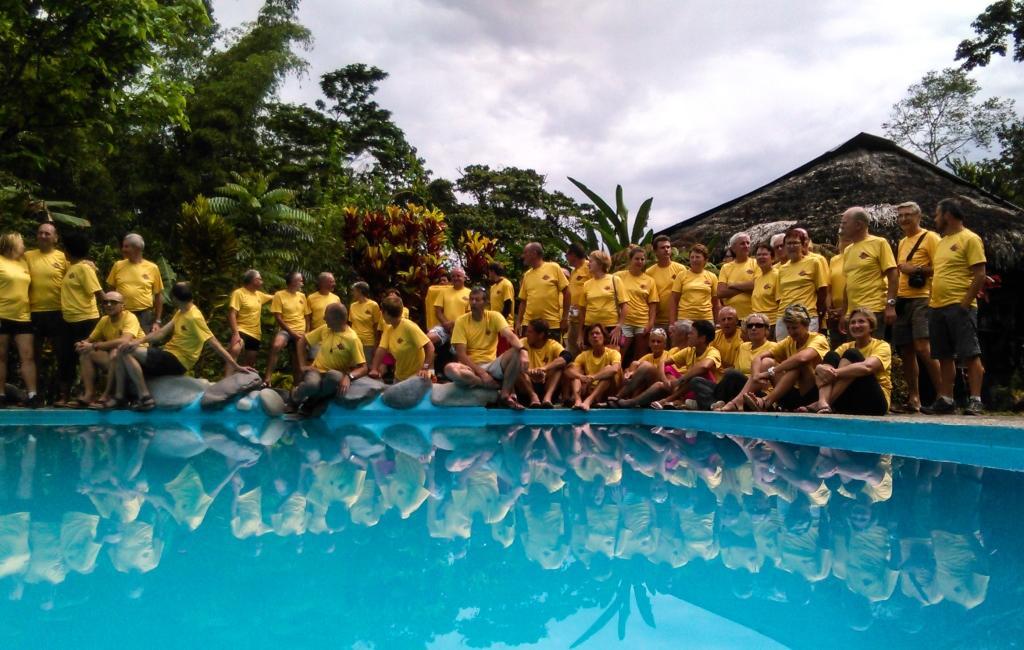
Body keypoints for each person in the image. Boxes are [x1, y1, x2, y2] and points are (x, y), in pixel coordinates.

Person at [105, 282, 248, 410]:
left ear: (174, 299)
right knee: (123, 352)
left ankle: (145, 397)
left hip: (178, 361)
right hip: (168, 355)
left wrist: (235, 365)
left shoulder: (194, 317)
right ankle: (120, 397)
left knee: (123, 351)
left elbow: (214, 343)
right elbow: (161, 333)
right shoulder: (181, 311)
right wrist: (137, 341)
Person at [922, 198, 987, 416]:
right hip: (937, 307)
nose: (935, 219)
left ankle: (976, 399)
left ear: (947, 215)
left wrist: (965, 303)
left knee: (970, 353)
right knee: (943, 355)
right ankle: (946, 399)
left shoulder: (970, 238)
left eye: (937, 215)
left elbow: (980, 274)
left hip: (959, 306)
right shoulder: (941, 243)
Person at [893, 201, 942, 413]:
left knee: (923, 347)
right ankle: (914, 398)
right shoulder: (902, 242)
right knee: (906, 350)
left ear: (918, 216)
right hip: (902, 299)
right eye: (901, 215)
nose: (904, 219)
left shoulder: (930, 237)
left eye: (908, 215)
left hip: (923, 297)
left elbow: (942, 266)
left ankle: (944, 395)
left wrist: (916, 269)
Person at [444, 286, 525, 409]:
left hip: (491, 364)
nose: (473, 303)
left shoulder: (494, 316)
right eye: (471, 299)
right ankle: (492, 385)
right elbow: (461, 354)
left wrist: (524, 351)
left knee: (516, 352)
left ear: (486, 303)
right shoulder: (461, 321)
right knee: (450, 368)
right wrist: (482, 374)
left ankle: (504, 395)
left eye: (477, 300)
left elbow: (510, 336)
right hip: (470, 367)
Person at [803, 307, 892, 416]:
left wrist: (834, 373)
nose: (856, 325)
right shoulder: (844, 346)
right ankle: (823, 402)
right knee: (831, 355)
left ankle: (822, 403)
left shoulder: (882, 345)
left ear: (871, 327)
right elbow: (825, 369)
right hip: (848, 400)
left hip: (874, 402)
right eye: (852, 322)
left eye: (861, 321)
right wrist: (819, 368)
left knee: (852, 354)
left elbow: (867, 367)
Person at [744, 304, 831, 412]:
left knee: (798, 365)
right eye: (788, 328)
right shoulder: (789, 341)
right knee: (767, 361)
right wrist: (757, 375)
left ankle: (766, 401)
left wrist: (770, 372)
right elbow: (759, 357)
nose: (791, 332)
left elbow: (802, 358)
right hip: (793, 392)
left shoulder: (819, 338)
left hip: (814, 393)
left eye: (794, 328)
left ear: (806, 325)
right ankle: (737, 402)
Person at [58, 231, 105, 404]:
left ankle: (90, 394)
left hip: (86, 320)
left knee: (86, 357)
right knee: (66, 358)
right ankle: (64, 397)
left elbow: (99, 294)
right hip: (68, 320)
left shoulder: (85, 269)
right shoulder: (73, 267)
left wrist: (115, 310)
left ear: (68, 251)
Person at [294, 303, 367, 410]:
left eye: (326, 317)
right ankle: (293, 398)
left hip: (334, 375)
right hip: (316, 370)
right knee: (312, 385)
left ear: (337, 319)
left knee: (334, 376)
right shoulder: (325, 329)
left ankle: (311, 402)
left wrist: (349, 377)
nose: (324, 318)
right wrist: (302, 365)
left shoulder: (353, 339)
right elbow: (302, 341)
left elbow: (363, 367)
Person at [76, 292, 144, 407]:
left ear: (122, 306)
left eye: (113, 302)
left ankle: (106, 395)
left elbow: (124, 341)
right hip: (116, 359)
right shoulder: (104, 320)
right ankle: (89, 395)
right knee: (86, 352)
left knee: (115, 352)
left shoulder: (130, 317)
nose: (108, 305)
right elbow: (89, 340)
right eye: (105, 302)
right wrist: (82, 344)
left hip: (134, 360)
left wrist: (93, 346)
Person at [24, 222, 67, 402]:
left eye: (47, 234)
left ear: (55, 238)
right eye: (40, 233)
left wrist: (88, 262)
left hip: (57, 312)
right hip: (33, 313)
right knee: (34, 357)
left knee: (62, 354)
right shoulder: (26, 256)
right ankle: (36, 395)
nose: (43, 236)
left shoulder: (63, 257)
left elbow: (75, 273)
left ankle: (64, 395)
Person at [840, 207, 898, 337]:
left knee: (873, 351)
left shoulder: (879, 243)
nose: (841, 227)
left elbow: (893, 274)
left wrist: (890, 305)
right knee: (855, 354)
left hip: (873, 310)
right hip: (853, 314)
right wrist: (844, 313)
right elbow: (848, 283)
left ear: (858, 225)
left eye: (844, 223)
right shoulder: (848, 250)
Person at [0, 233, 39, 407]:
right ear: (11, 244)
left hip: (23, 316)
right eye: (21, 242)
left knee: (27, 356)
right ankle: (0, 394)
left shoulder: (24, 262)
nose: (24, 245)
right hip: (2, 314)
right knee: (1, 357)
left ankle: (32, 395)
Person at [651, 319, 721, 410]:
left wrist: (680, 380)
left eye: (691, 333)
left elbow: (704, 366)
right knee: (667, 369)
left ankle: (668, 400)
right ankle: (633, 402)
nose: (689, 336)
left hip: (706, 390)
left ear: (702, 338)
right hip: (687, 388)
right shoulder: (690, 350)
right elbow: (663, 362)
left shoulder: (713, 351)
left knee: (697, 374)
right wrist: (665, 380)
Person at [774, 227, 829, 339]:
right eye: (788, 244)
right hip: (784, 317)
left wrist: (819, 312)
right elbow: (781, 296)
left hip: (806, 315)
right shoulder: (782, 269)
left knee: (805, 351)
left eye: (795, 243)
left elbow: (822, 289)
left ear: (803, 245)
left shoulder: (814, 262)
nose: (791, 247)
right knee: (783, 353)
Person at [713, 313, 774, 410]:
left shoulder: (773, 347)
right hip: (739, 389)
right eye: (750, 326)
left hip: (758, 392)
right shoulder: (743, 347)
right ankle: (718, 403)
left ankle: (713, 403)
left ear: (766, 329)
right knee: (697, 381)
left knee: (732, 375)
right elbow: (737, 369)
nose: (753, 328)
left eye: (758, 325)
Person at [106, 233, 164, 333]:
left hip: (144, 315)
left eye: (126, 246)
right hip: (121, 313)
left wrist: (157, 321)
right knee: (120, 344)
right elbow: (110, 291)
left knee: (143, 345)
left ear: (137, 248)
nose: (123, 249)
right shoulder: (118, 265)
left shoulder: (152, 268)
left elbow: (158, 296)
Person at [369, 295, 434, 382]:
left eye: (382, 311)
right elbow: (381, 349)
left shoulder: (409, 326)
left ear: (387, 314)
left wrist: (425, 368)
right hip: (399, 377)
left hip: (417, 377)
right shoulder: (389, 329)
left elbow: (430, 347)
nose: (381, 313)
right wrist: (374, 368)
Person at [614, 246, 658, 364]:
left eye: (642, 259)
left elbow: (653, 304)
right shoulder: (618, 276)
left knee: (640, 357)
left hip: (642, 323)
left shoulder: (649, 280)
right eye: (637, 259)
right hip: (624, 323)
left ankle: (636, 380)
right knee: (619, 355)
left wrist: (650, 323)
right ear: (630, 260)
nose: (639, 262)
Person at [516, 242, 569, 339]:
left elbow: (567, 292)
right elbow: (523, 301)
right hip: (529, 325)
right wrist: (519, 322)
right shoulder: (526, 275)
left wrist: (565, 317)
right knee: (527, 353)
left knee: (553, 353)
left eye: (525, 253)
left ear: (534, 253)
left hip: (551, 324)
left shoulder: (553, 267)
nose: (523, 256)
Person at [609, 327, 671, 407]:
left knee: (645, 366)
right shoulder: (648, 356)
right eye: (653, 341)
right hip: (647, 388)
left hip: (661, 389)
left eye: (658, 342)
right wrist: (629, 373)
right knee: (634, 364)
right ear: (649, 343)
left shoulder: (668, 355)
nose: (655, 344)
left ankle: (619, 396)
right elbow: (634, 365)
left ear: (665, 344)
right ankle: (628, 398)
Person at [577, 250, 627, 351]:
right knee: (590, 359)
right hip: (590, 327)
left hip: (611, 327)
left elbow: (625, 305)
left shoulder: (615, 280)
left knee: (612, 358)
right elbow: (582, 311)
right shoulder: (586, 284)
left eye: (591, 261)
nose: (588, 264)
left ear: (600, 263)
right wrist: (580, 334)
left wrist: (619, 327)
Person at [266, 271, 309, 386]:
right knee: (276, 345)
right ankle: (267, 378)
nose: (302, 283)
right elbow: (278, 317)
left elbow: (307, 316)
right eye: (300, 280)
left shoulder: (302, 296)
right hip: (286, 330)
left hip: (301, 331)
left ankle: (297, 387)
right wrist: (291, 332)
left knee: (298, 361)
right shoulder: (279, 295)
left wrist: (307, 333)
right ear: (293, 282)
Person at [516, 319, 572, 408]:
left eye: (530, 332)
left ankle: (547, 398)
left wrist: (545, 368)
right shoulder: (522, 342)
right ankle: (533, 397)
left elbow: (567, 356)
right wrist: (529, 372)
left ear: (541, 335)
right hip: (526, 387)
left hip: (547, 385)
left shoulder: (552, 344)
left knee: (561, 367)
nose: (526, 334)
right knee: (515, 366)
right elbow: (510, 359)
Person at [565, 323, 621, 411]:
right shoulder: (584, 355)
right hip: (589, 388)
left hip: (608, 391)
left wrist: (593, 377)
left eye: (598, 333)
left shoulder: (613, 353)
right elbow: (568, 371)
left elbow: (615, 369)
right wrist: (581, 377)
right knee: (575, 373)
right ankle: (577, 400)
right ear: (588, 339)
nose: (595, 336)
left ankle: (589, 401)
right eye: (591, 334)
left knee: (608, 369)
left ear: (604, 336)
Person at [226, 270, 272, 375]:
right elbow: (232, 314)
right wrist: (235, 333)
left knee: (250, 363)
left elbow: (276, 297)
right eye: (260, 279)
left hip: (255, 334)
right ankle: (226, 378)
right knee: (235, 350)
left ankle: (243, 384)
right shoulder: (239, 293)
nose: (262, 281)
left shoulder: (259, 295)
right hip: (242, 330)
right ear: (253, 280)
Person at [671, 244, 719, 323]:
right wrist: (672, 323)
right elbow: (674, 301)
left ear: (705, 260)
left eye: (697, 257)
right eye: (692, 257)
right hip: (685, 320)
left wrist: (718, 324)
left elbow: (716, 303)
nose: (694, 260)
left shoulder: (712, 277)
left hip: (706, 319)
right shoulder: (681, 275)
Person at [647, 235, 687, 329]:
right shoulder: (649, 272)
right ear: (655, 251)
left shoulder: (680, 269)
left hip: (678, 319)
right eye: (662, 247)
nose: (666, 250)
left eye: (668, 247)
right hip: (657, 321)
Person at [718, 232, 758, 319]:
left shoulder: (756, 263)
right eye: (742, 243)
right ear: (733, 248)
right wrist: (746, 288)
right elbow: (721, 292)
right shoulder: (726, 267)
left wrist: (733, 285)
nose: (746, 246)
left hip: (752, 316)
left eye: (748, 243)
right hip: (731, 318)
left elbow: (757, 284)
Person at [428, 268, 470, 350]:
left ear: (464, 278)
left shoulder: (470, 293)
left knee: (458, 353)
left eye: (458, 276)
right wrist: (447, 325)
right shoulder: (444, 292)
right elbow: (438, 311)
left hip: (462, 329)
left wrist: (454, 324)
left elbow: (469, 315)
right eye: (453, 276)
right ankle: (428, 363)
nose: (455, 278)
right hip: (445, 327)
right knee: (427, 339)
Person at [565, 242, 591, 357]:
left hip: (585, 318)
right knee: (572, 348)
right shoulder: (573, 271)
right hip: (573, 317)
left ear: (573, 255)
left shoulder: (589, 266)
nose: (566, 258)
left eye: (567, 255)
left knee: (585, 348)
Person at [827, 234, 853, 347]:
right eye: (841, 236)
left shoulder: (857, 256)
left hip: (852, 309)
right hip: (835, 313)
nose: (844, 238)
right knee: (837, 347)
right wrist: (829, 308)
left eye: (847, 235)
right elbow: (829, 285)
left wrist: (844, 309)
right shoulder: (833, 260)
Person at [750, 242, 779, 337]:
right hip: (757, 324)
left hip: (772, 324)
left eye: (765, 254)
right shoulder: (758, 279)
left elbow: (781, 302)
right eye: (758, 255)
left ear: (773, 258)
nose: (761, 257)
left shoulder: (777, 275)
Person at [349, 281, 382, 362]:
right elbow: (350, 324)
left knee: (367, 367)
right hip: (354, 341)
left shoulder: (373, 305)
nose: (352, 293)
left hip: (368, 343)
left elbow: (377, 326)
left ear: (360, 291)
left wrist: (376, 344)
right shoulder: (352, 306)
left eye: (354, 291)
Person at [712, 306, 742, 371]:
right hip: (717, 372)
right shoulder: (714, 336)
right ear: (719, 323)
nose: (726, 322)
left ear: (736, 321)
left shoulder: (743, 336)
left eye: (729, 319)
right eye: (723, 319)